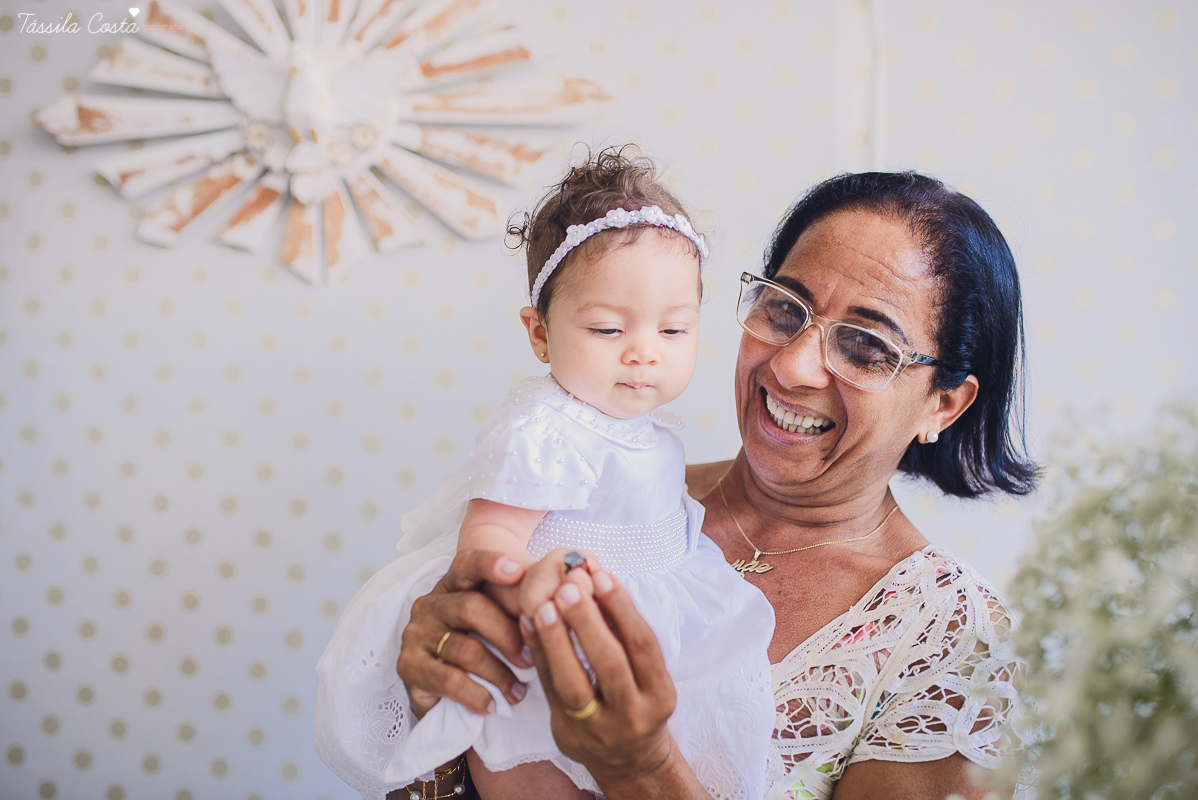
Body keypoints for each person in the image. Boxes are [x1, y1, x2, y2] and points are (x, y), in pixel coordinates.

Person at [317, 170, 1037, 800]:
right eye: (785, 309)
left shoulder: (954, 643)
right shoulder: (597, 507)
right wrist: (434, 695)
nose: (791, 368)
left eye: (865, 344)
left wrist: (643, 771)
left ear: (944, 403)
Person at [315, 149, 776, 800]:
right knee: (528, 765)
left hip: (644, 631)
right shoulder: (547, 428)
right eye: (608, 327)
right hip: (544, 636)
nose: (644, 349)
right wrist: (532, 596)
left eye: (674, 329)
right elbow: (491, 544)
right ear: (539, 335)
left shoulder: (647, 434)